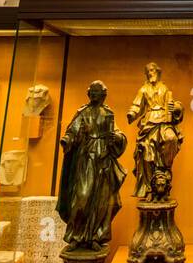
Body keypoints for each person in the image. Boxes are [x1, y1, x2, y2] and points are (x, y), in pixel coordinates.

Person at [57, 81, 127, 250]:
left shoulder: (108, 113)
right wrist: (68, 140)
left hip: (103, 160)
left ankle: (96, 236)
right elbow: (72, 131)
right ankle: (76, 235)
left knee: (102, 201)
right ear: (88, 94)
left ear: (104, 95)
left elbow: (117, 133)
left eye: (99, 93)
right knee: (82, 197)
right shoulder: (83, 113)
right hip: (86, 159)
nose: (96, 96)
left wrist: (117, 138)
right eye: (93, 92)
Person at [126, 62, 184, 201]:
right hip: (149, 122)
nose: (149, 73)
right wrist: (132, 114)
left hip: (164, 123)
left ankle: (165, 170)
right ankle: (149, 188)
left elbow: (174, 106)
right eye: (147, 72)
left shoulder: (165, 89)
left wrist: (175, 108)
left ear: (158, 72)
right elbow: (137, 105)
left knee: (171, 139)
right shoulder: (144, 89)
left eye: (152, 70)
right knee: (146, 153)